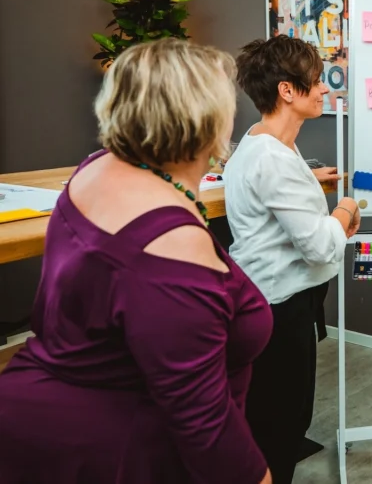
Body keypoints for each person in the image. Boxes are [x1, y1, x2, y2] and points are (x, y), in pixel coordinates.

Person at [0, 39, 272, 484]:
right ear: (208, 120)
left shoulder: (94, 168)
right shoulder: (172, 244)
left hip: (37, 416)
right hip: (116, 451)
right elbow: (202, 422)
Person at [226, 35, 360, 484]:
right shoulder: (274, 158)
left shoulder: (266, 142)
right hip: (279, 308)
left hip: (275, 300)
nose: (324, 89)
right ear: (287, 90)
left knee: (277, 414)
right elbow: (321, 245)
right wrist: (345, 210)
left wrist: (309, 178)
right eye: (316, 81)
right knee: (281, 423)